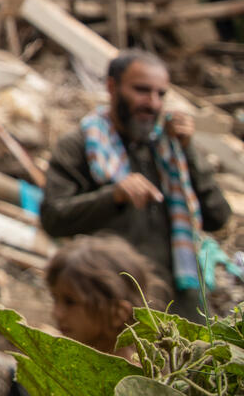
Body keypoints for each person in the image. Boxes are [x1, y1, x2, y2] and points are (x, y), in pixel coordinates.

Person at [41, 49, 231, 322]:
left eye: (160, 94)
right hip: (114, 308)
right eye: (142, 90)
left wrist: (188, 152)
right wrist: (112, 197)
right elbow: (53, 218)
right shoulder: (79, 146)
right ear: (111, 87)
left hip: (181, 306)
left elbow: (217, 217)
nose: (152, 103)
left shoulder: (171, 149)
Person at [46, 235, 167, 357]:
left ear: (118, 313)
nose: (56, 313)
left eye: (70, 302)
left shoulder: (129, 374)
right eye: (55, 299)